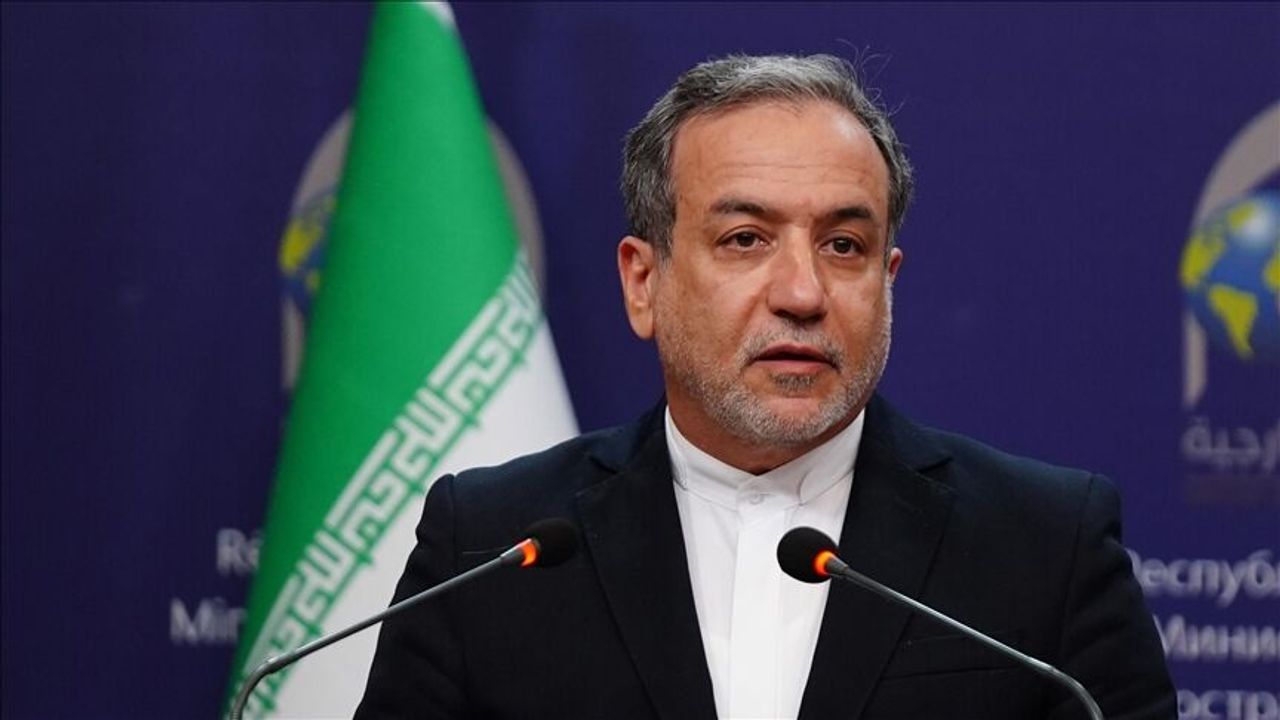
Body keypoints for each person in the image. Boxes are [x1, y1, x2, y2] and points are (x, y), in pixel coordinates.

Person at [356, 54, 1174, 720]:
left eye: (844, 246)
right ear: (644, 282)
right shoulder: (492, 545)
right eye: (745, 239)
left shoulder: (1045, 546)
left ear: (888, 281)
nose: (803, 294)